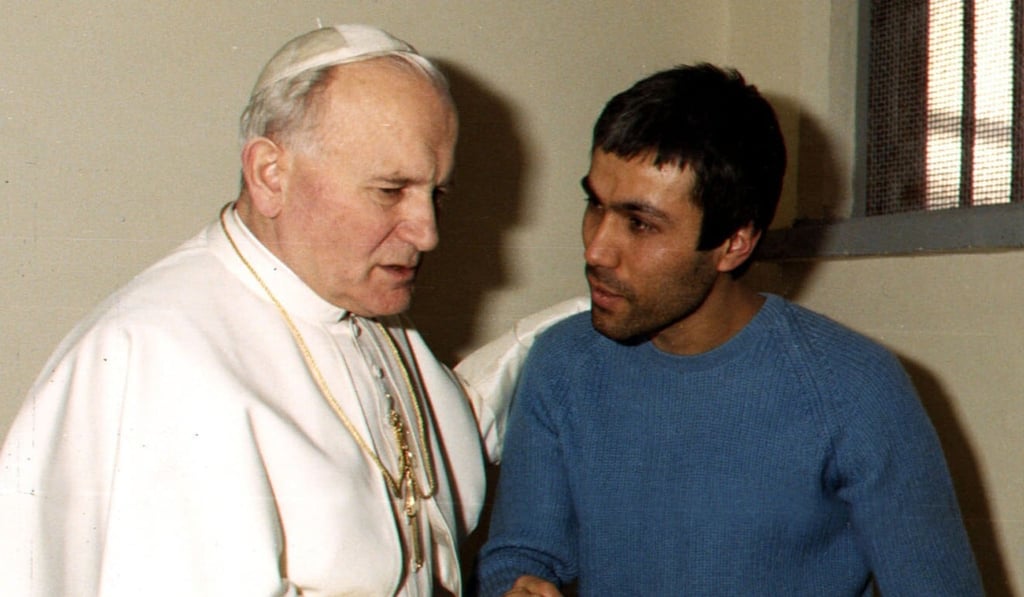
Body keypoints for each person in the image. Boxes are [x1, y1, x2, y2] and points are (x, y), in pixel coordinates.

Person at [0, 24, 581, 596]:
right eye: (389, 191)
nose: (427, 232)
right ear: (270, 175)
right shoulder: (155, 357)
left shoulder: (360, 308)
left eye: (437, 194)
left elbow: (424, 479)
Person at [474, 64, 984, 596]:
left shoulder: (854, 388)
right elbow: (521, 555)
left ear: (734, 243)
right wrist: (518, 584)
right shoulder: (561, 365)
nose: (597, 249)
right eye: (595, 205)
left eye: (640, 224)